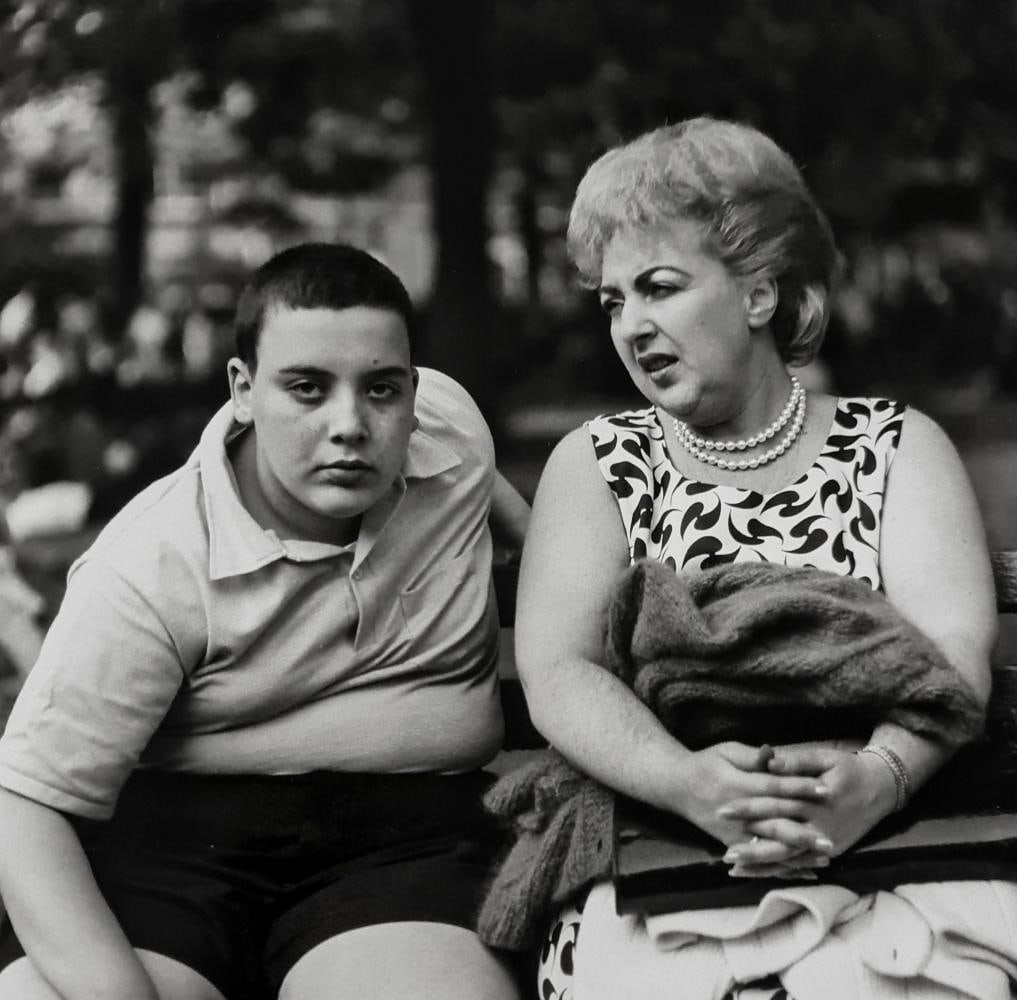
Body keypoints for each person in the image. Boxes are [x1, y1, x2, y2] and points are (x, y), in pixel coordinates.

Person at [513, 118, 1005, 998]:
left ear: (758, 293)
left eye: (658, 287)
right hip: (662, 852)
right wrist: (688, 783)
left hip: (896, 843)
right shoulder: (597, 462)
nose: (630, 326)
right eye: (612, 300)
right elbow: (557, 670)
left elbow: (951, 654)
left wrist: (877, 782)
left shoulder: (894, 445)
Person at [0, 242, 528, 1000]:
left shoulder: (448, 432)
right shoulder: (153, 561)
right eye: (307, 389)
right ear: (242, 390)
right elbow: (26, 803)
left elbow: (532, 534)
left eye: (382, 390)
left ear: (414, 390)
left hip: (407, 843)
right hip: (181, 849)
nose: (350, 423)